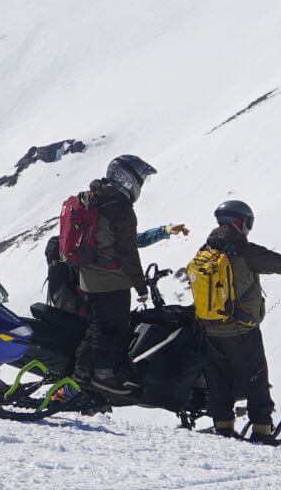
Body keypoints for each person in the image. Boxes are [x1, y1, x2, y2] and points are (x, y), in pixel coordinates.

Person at [197, 200, 281, 445]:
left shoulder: (206, 249)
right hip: (242, 329)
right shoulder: (245, 251)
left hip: (211, 328)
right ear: (241, 222)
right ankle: (262, 431)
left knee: (219, 378)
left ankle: (223, 427)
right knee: (256, 379)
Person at [71, 154, 159, 395]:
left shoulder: (95, 198)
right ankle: (104, 375)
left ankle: (82, 370)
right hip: (110, 280)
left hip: (89, 276)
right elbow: (128, 252)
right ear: (127, 179)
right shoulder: (121, 210)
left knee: (97, 325)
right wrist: (141, 286)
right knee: (112, 328)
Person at [46, 223, 190, 315]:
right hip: (91, 306)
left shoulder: (73, 249)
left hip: (84, 305)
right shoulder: (90, 245)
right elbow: (136, 240)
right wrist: (164, 231)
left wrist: (164, 231)